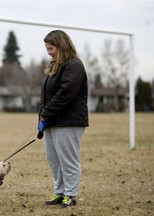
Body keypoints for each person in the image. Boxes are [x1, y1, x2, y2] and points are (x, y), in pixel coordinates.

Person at [38, 30, 89, 208]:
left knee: (68, 160)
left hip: (69, 121)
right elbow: (47, 95)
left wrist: (46, 113)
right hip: (53, 121)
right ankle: (59, 193)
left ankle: (70, 195)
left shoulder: (74, 65)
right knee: (54, 160)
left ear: (61, 45)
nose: (48, 52)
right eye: (47, 48)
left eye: (51, 48)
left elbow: (66, 93)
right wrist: (42, 116)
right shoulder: (56, 66)